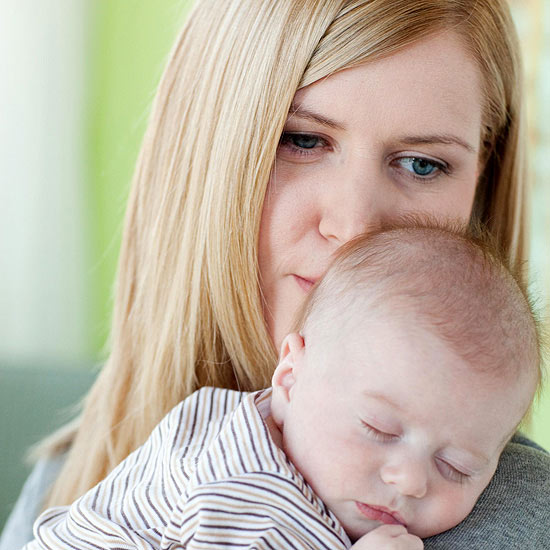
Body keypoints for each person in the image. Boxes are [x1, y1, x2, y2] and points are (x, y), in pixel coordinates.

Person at [2, 0, 550, 548]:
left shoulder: (500, 517)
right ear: (205, 154)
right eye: (304, 140)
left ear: (481, 185)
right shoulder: (70, 479)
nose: (356, 227)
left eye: (422, 164)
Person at [22, 226, 541, 550]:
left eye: (457, 468)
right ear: (290, 376)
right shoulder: (254, 491)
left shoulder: (250, 417)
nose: (409, 480)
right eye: (378, 428)